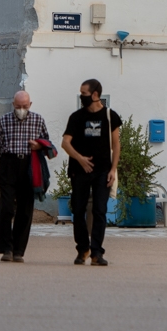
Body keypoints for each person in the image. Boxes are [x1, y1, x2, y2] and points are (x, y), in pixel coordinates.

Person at [0, 90, 56, 263]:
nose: (21, 109)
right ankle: (6, 248)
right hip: (9, 164)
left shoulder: (38, 120)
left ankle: (18, 250)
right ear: (13, 105)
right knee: (6, 207)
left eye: (24, 106)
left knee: (25, 210)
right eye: (18, 106)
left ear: (30, 105)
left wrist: (38, 146)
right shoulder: (4, 121)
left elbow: (48, 145)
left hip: (29, 166)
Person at [61, 78, 120, 266]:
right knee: (78, 210)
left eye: (84, 93)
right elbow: (65, 143)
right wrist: (80, 159)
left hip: (103, 171)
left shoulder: (110, 116)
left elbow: (116, 144)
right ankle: (82, 249)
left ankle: (96, 252)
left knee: (100, 211)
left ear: (95, 95)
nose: (82, 97)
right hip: (79, 171)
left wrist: (113, 169)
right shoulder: (76, 117)